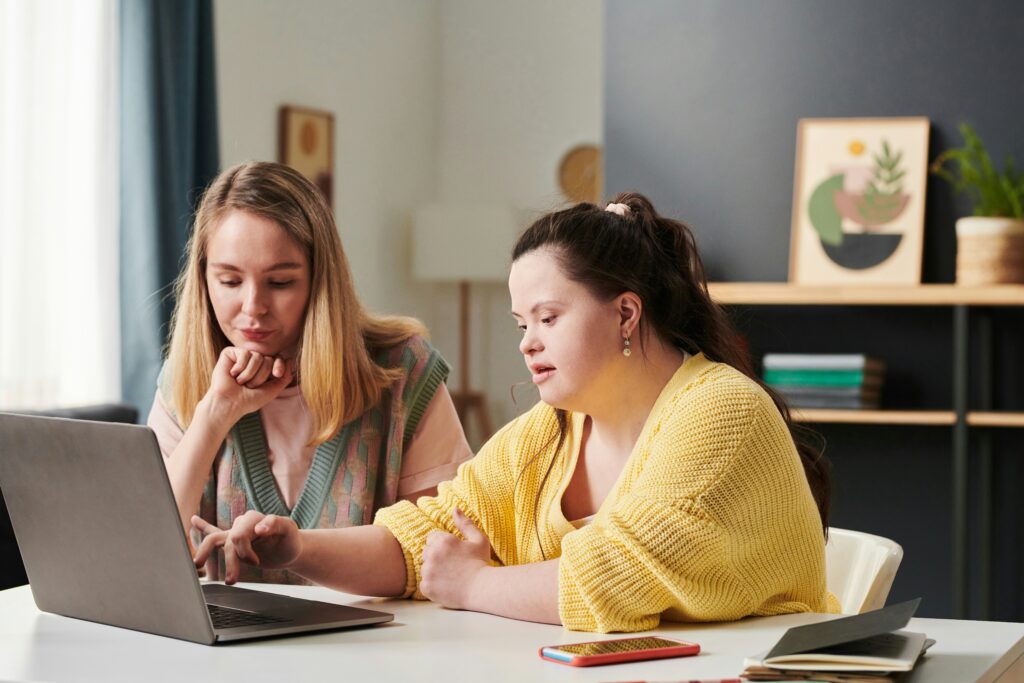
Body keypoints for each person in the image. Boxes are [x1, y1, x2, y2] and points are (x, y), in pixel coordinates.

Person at [192, 191, 839, 631]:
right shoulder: (546, 433)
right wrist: (298, 546)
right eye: (520, 321)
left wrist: (474, 586)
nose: (527, 341)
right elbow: (423, 542)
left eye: (548, 317)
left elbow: (616, 575)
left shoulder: (722, 410)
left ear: (625, 312)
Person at [148, 161, 473, 584]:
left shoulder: (403, 372)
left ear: (320, 281)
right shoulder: (186, 378)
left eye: (280, 283)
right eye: (229, 281)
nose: (252, 307)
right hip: (225, 649)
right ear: (204, 278)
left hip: (375, 647)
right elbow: (149, 559)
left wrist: (299, 549)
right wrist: (213, 415)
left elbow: (439, 553)